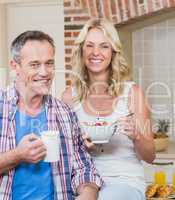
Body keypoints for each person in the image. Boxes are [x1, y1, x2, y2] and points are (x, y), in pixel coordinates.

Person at [0, 30, 103, 200]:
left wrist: (88, 193)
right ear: (15, 66)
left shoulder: (64, 112)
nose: (45, 72)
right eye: (35, 64)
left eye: (49, 63)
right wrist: (16, 156)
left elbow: (83, 167)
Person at [62, 19, 155, 200]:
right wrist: (80, 149)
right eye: (89, 46)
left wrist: (137, 136)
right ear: (82, 51)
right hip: (82, 180)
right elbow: (63, 155)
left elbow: (150, 156)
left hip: (124, 181)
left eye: (104, 46)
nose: (95, 52)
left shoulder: (132, 94)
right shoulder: (68, 97)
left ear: (113, 52)